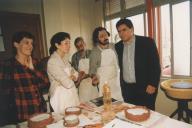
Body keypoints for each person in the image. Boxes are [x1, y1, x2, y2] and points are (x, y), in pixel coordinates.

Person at [0, 31, 50, 125]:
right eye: (26, 42)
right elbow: (4, 93)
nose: (30, 46)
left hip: (40, 112)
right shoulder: (7, 65)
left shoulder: (35, 63)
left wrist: (32, 69)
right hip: (22, 115)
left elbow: (46, 83)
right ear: (16, 44)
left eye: (31, 43)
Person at [115, 18, 161, 110]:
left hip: (146, 88)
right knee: (131, 116)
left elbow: (155, 65)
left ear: (131, 29)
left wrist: (153, 84)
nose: (121, 33)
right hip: (127, 90)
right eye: (119, 31)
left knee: (147, 116)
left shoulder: (147, 42)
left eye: (124, 30)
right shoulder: (118, 46)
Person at [47, 32, 80, 114]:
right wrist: (70, 77)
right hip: (60, 97)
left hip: (71, 95)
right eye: (66, 43)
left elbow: (76, 74)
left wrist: (71, 76)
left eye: (69, 43)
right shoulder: (53, 61)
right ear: (57, 45)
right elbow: (68, 83)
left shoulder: (65, 59)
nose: (69, 46)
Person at [89, 27, 123, 101]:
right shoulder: (94, 52)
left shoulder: (114, 46)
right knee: (107, 104)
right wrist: (94, 77)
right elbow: (92, 70)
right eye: (101, 36)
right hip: (104, 84)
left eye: (106, 35)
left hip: (116, 81)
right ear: (97, 39)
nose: (105, 37)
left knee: (118, 103)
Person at [71, 37, 98, 102]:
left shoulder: (91, 53)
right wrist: (79, 77)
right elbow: (74, 73)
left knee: (95, 104)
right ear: (76, 47)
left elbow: (96, 69)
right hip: (82, 85)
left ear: (84, 44)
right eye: (78, 47)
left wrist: (88, 75)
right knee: (84, 105)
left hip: (92, 83)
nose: (80, 48)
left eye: (81, 45)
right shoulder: (74, 57)